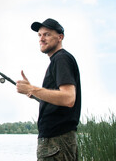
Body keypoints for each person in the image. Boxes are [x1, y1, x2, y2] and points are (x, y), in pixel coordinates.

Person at [16, 18, 81, 160]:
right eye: (39, 35)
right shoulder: (58, 60)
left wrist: (32, 89)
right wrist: (32, 93)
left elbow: (68, 98)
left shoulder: (61, 59)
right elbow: (59, 99)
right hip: (58, 141)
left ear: (60, 37)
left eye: (47, 34)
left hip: (56, 141)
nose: (41, 38)